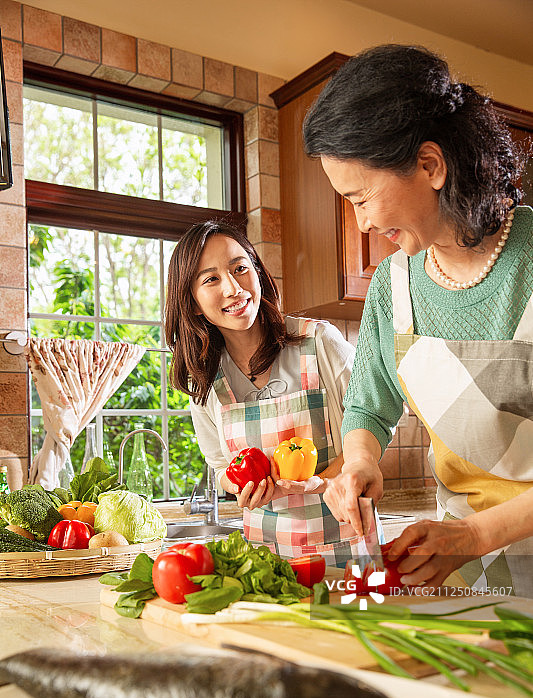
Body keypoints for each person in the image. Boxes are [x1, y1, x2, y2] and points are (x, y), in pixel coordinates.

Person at [302, 43, 533, 597]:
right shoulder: (394, 285)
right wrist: (359, 460)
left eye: (360, 198)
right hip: (468, 572)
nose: (359, 224)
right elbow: (367, 401)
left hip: (471, 544)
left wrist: (474, 533)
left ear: (429, 165)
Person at [165, 220, 358, 566]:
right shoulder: (205, 380)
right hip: (266, 564)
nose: (233, 288)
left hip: (347, 546)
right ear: (193, 303)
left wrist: (321, 482)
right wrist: (243, 485)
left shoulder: (319, 342)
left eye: (240, 268)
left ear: (257, 270)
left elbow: (372, 429)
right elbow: (221, 465)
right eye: (211, 279)